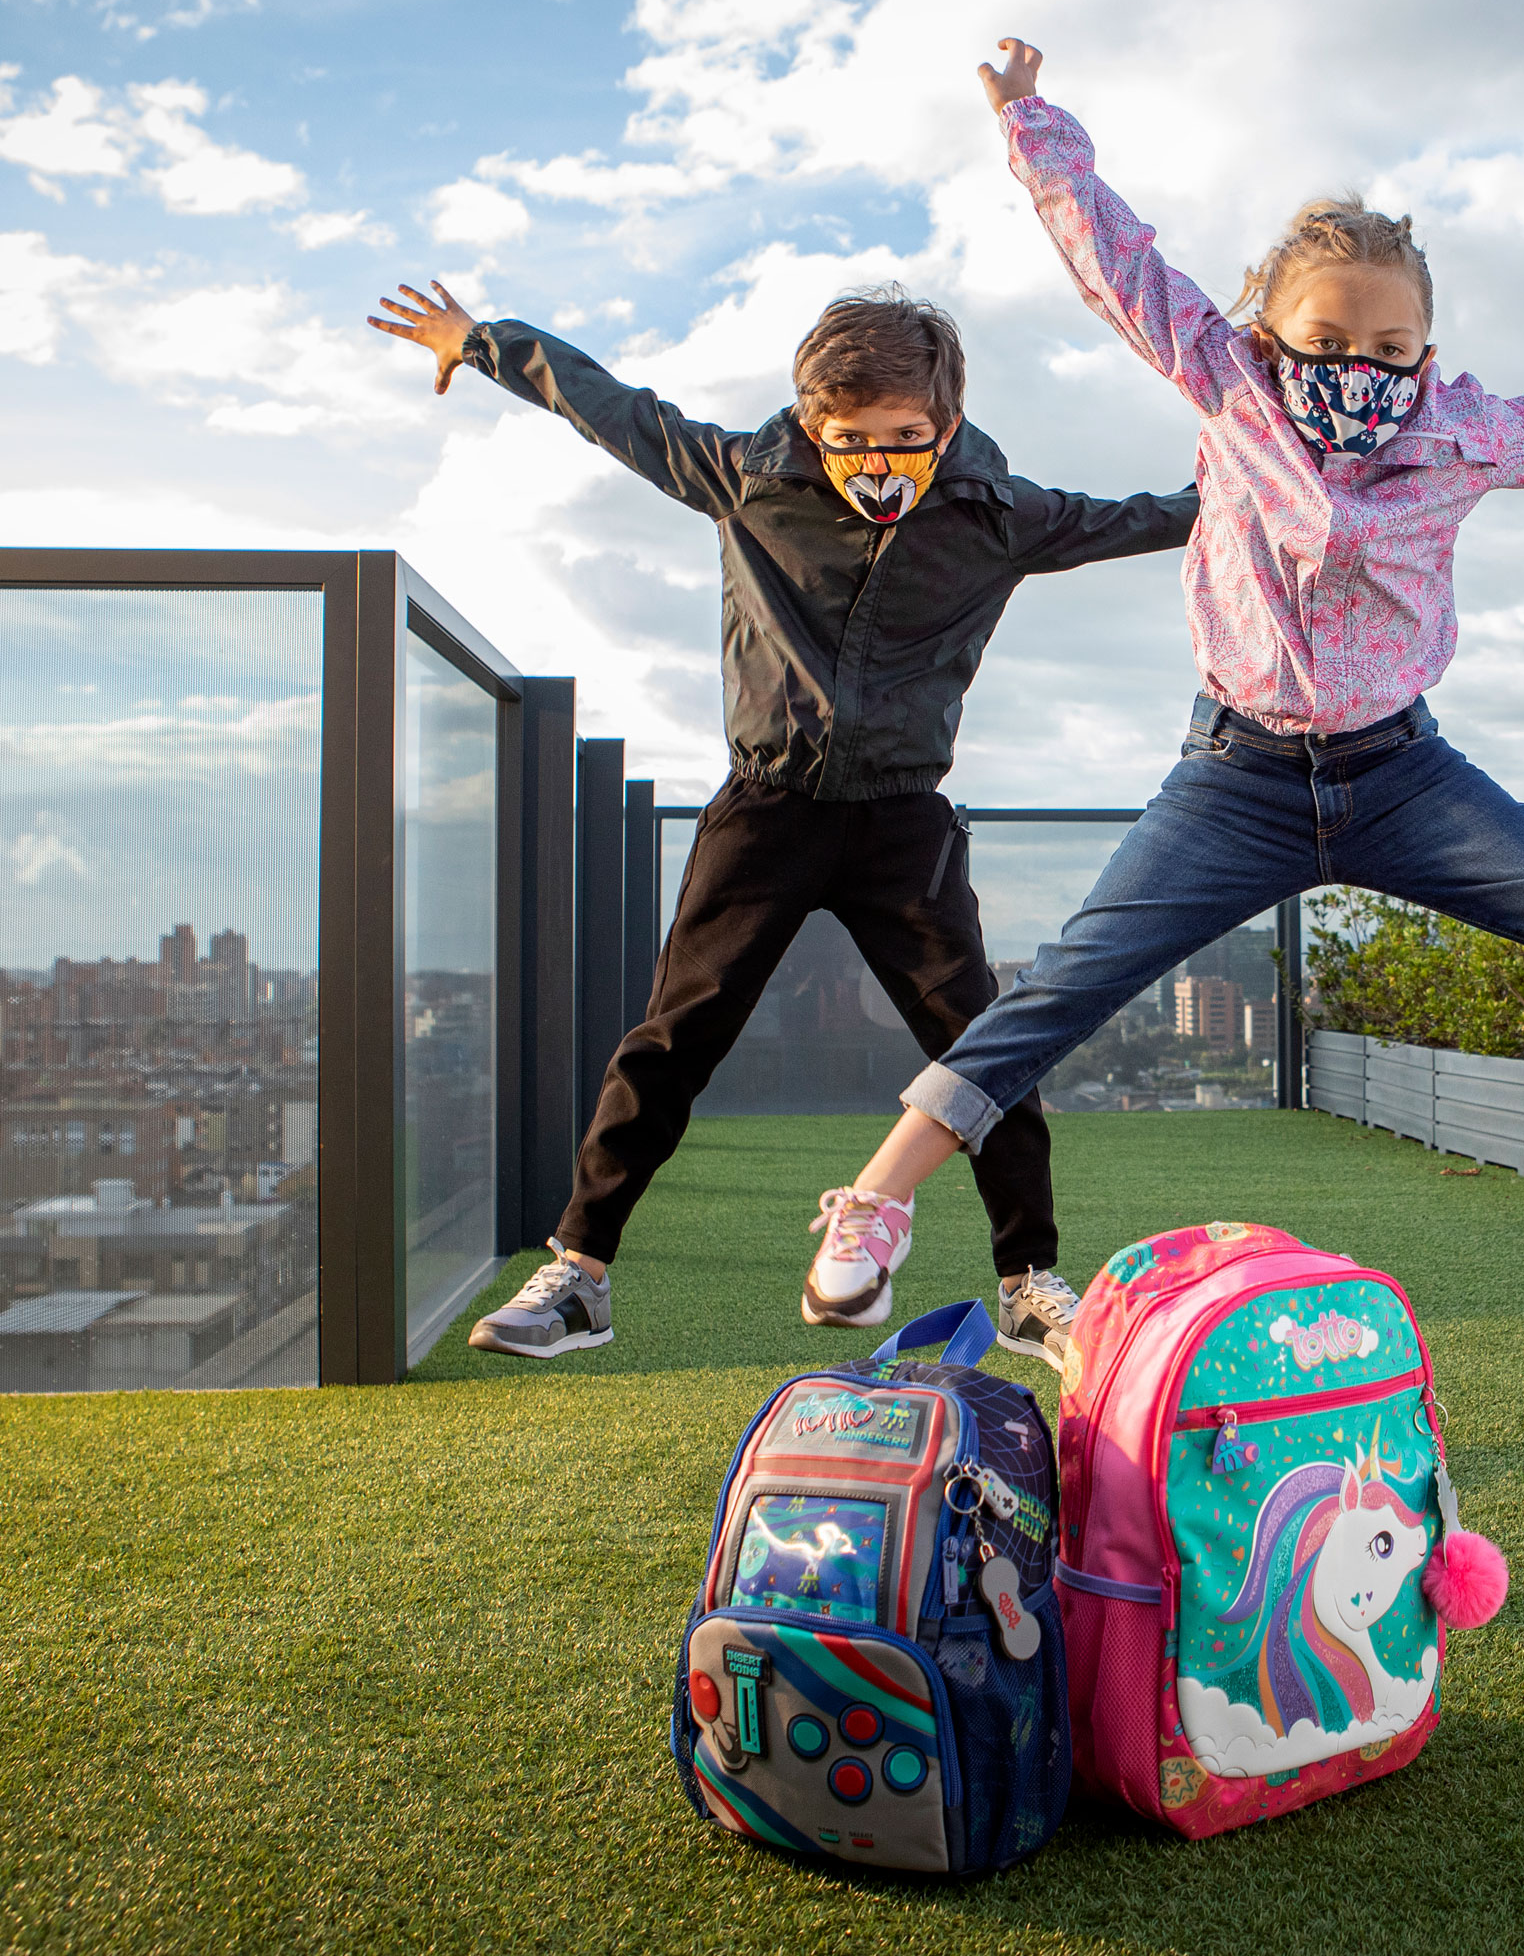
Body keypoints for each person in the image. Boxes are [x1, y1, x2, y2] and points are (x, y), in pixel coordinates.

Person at [798, 40, 1524, 1323]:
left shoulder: (1459, 431)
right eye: (1326, 338)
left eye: (1388, 344)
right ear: (1269, 332)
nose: (1355, 366)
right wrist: (1033, 124)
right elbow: (1116, 264)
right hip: (1234, 778)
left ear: (1424, 348)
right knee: (1073, 977)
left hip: (1401, 772)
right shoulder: (1227, 379)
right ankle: (875, 1198)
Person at [368, 278, 1198, 1363]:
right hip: (764, 812)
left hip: (903, 824)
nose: (878, 460)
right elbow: (614, 408)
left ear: (944, 425)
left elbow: (1157, 516)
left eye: (905, 437)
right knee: (671, 1041)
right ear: (812, 422)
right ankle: (577, 1275)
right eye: (851, 438)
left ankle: (1029, 1282)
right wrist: (482, 342)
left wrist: (1278, 478)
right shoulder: (739, 478)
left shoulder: (1001, 516)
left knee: (985, 1047)